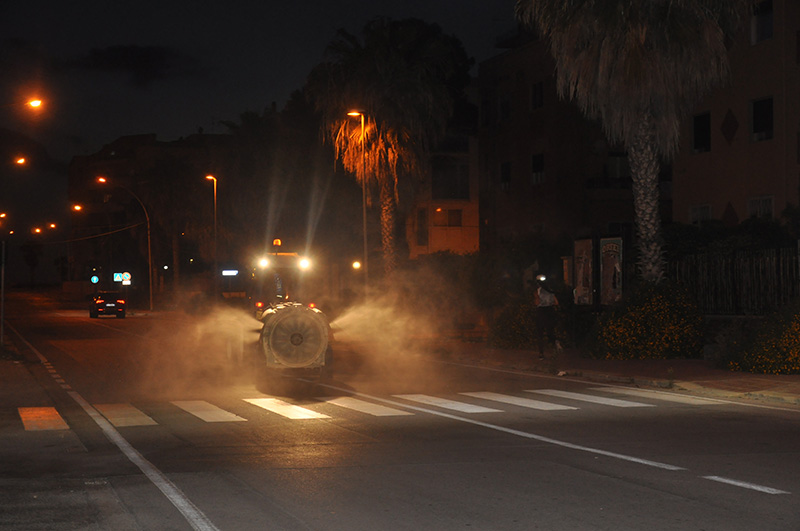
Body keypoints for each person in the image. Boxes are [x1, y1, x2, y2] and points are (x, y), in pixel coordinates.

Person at [535, 275, 559, 359]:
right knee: (550, 331)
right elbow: (556, 302)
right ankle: (554, 350)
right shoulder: (551, 291)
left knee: (540, 333)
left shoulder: (538, 291)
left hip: (541, 312)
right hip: (550, 311)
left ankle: (541, 353)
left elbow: (537, 303)